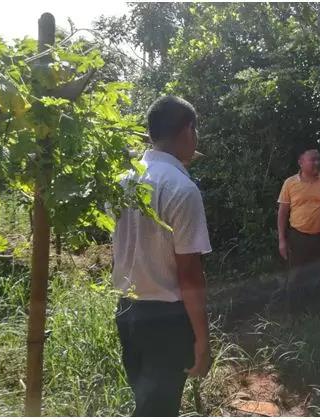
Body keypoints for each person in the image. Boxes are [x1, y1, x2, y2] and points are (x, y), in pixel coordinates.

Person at [111, 96, 212, 416]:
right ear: (188, 131)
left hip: (127, 312)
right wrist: (203, 339)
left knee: (147, 404)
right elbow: (189, 273)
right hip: (166, 321)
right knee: (159, 410)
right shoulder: (182, 188)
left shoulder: (122, 181)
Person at [277, 146, 320, 313]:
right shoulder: (290, 183)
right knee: (296, 277)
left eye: (319, 159)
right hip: (298, 237)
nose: (317, 163)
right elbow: (283, 212)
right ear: (301, 162)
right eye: (312, 160)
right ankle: (294, 315)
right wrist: (282, 240)